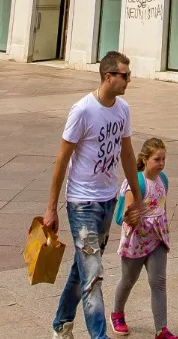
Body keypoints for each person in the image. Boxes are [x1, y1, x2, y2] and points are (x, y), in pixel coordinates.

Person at [41, 52, 146, 339]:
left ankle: (61, 323)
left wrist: (136, 197)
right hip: (81, 203)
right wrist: (51, 208)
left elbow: (126, 153)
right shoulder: (83, 110)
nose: (129, 79)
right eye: (124, 75)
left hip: (108, 199)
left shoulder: (123, 109)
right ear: (108, 76)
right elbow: (62, 159)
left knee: (83, 266)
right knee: (93, 275)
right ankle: (99, 336)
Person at [108, 137, 173, 339]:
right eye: (157, 159)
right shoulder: (135, 182)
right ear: (145, 159)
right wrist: (130, 215)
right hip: (135, 241)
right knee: (128, 280)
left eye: (163, 159)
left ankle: (161, 329)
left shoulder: (164, 180)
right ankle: (117, 313)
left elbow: (161, 206)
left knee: (158, 282)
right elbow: (124, 215)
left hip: (157, 240)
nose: (161, 163)